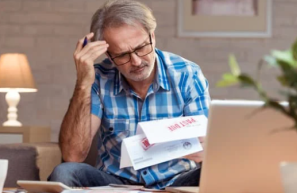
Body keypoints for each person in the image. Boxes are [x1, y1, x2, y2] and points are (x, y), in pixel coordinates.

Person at [48, 0, 210, 190]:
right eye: (123, 55)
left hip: (175, 182)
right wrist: (83, 83)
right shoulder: (99, 78)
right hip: (115, 183)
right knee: (65, 172)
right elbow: (73, 156)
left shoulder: (187, 74)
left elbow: (208, 148)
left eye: (141, 47)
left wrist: (206, 150)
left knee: (215, 173)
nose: (136, 61)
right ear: (109, 55)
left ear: (152, 36)